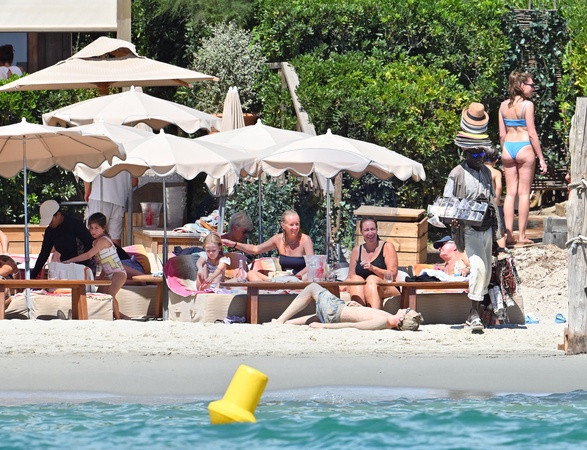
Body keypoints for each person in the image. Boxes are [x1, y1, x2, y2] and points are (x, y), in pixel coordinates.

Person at [443, 146, 498, 332]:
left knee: (487, 271)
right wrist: (453, 218)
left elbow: (492, 200)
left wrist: (497, 233)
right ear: (465, 154)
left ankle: (473, 314)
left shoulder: (486, 172)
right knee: (478, 267)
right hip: (468, 227)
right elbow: (447, 201)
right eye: (474, 154)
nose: (479, 157)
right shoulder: (457, 173)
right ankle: (474, 314)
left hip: (486, 226)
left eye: (481, 154)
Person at [499, 71, 547, 246]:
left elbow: (502, 134)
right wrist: (541, 158)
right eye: (531, 85)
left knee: (510, 194)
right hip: (524, 147)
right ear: (521, 86)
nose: (533, 88)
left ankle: (509, 235)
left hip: (508, 148)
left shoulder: (503, 106)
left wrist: (504, 152)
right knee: (524, 193)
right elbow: (532, 133)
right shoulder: (528, 105)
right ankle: (522, 236)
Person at [268, 282, 422, 330]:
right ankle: (286, 323)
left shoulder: (385, 321)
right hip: (337, 312)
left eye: (408, 310)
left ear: (401, 318)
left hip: (336, 312)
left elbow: (355, 326)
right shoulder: (388, 319)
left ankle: (280, 321)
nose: (406, 308)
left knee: (312, 287)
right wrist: (358, 308)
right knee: (317, 316)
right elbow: (364, 317)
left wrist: (324, 327)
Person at [64, 213, 127, 320]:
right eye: (91, 228)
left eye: (96, 228)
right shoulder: (95, 243)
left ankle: (118, 320)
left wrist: (71, 260)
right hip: (109, 275)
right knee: (100, 297)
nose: (93, 231)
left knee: (110, 295)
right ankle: (125, 318)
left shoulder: (103, 240)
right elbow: (103, 263)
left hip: (118, 273)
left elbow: (88, 255)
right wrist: (101, 277)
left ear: (104, 228)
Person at [222, 210, 314, 281]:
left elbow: (312, 265)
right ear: (283, 225)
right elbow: (256, 249)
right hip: (283, 279)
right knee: (251, 274)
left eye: (297, 224)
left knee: (310, 275)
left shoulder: (305, 240)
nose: (295, 228)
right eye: (291, 225)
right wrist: (233, 244)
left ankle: (272, 289)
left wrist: (296, 278)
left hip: (300, 279)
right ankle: (266, 293)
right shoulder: (278, 239)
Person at [345, 217, 400, 309]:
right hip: (363, 288)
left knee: (371, 279)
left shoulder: (387, 247)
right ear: (361, 232)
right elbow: (350, 277)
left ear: (377, 230)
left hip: (387, 286)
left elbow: (392, 275)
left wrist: (373, 269)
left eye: (372, 229)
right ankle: (360, 314)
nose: (370, 233)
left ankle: (375, 316)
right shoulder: (356, 250)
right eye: (366, 230)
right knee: (355, 279)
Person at [31, 200, 94, 280]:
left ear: (58, 215)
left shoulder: (75, 224)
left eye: (50, 221)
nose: (49, 224)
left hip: (83, 267)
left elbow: (89, 244)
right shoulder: (50, 231)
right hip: (65, 268)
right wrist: (32, 276)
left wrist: (80, 264)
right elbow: (44, 254)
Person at [84, 173, 138, 247]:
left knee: (95, 233)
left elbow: (86, 171)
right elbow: (134, 182)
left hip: (99, 194)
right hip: (120, 198)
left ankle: (95, 255)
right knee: (115, 239)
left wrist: (87, 189)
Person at [484, 147, 506, 248]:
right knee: (499, 228)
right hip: (492, 201)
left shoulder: (479, 170)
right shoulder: (496, 172)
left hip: (482, 202)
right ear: (496, 160)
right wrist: (497, 200)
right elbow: (499, 187)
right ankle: (501, 248)